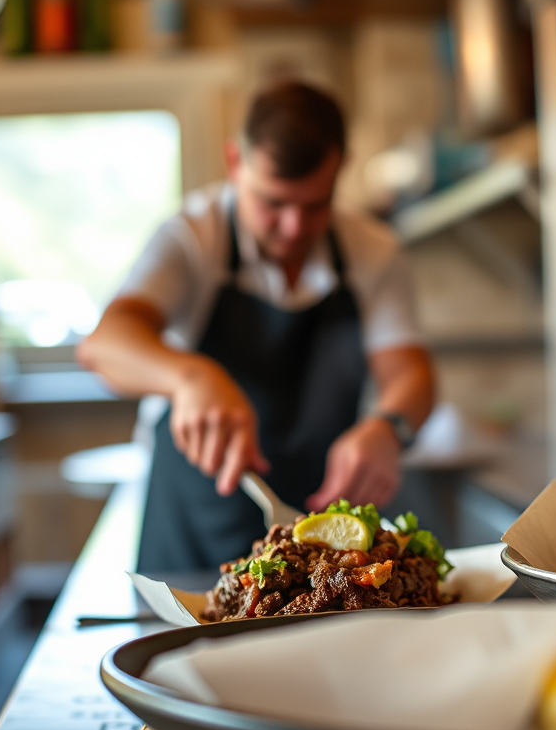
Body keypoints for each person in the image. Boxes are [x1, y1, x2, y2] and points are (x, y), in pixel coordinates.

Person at [79, 81, 434, 570]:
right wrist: (191, 377)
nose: (293, 228)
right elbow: (105, 345)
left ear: (340, 170)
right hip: (193, 532)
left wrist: (388, 426)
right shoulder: (191, 238)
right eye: (273, 202)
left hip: (318, 534)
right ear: (234, 163)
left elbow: (411, 374)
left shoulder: (374, 251)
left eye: (315, 205)